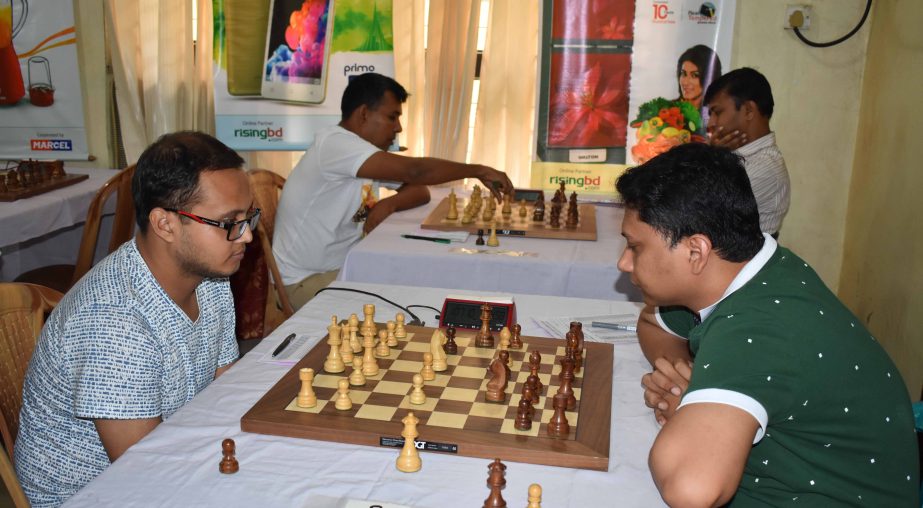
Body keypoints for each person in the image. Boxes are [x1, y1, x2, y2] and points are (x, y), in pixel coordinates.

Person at [616, 143, 918, 506]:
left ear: (696, 252)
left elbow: (691, 489)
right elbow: (652, 321)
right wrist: (687, 376)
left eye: (636, 247)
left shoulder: (758, 325)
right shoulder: (751, 271)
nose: (624, 263)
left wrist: (687, 411)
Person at [14, 132, 253, 507]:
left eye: (248, 217)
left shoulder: (211, 278)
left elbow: (225, 390)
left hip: (172, 453)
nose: (247, 236)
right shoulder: (114, 322)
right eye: (229, 222)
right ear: (165, 224)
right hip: (97, 494)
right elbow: (145, 474)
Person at [273, 72, 513, 309]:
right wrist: (478, 170)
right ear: (364, 114)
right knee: (410, 305)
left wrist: (388, 204)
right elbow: (416, 172)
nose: (398, 128)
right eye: (392, 117)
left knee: (423, 286)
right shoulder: (337, 144)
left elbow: (420, 190)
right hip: (304, 282)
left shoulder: (362, 153)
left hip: (346, 266)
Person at [704, 67, 790, 236]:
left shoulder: (766, 166)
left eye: (717, 112)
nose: (711, 124)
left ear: (749, 111)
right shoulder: (733, 156)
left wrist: (713, 158)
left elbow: (697, 209)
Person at [675, 44, 722, 113]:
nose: (685, 82)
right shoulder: (667, 111)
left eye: (694, 75)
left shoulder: (717, 114)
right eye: (683, 74)